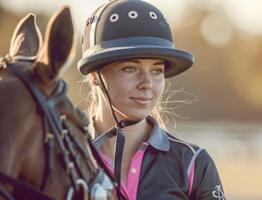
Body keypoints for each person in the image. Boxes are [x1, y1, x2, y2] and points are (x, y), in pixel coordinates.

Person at [77, 0, 225, 199]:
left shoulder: (193, 163)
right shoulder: (63, 158)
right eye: (130, 69)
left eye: (157, 71)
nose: (147, 83)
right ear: (94, 75)